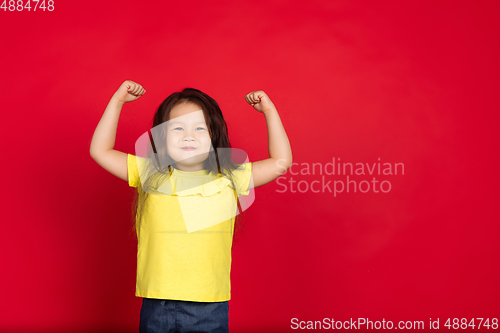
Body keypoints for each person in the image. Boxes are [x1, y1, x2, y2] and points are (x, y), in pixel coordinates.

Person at [90, 80, 293, 333]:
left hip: (210, 305)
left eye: (199, 128)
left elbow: (281, 162)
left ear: (213, 135)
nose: (189, 135)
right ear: (162, 137)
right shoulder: (151, 173)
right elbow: (100, 150)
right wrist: (117, 102)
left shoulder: (229, 177)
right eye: (178, 128)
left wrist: (270, 111)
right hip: (157, 301)